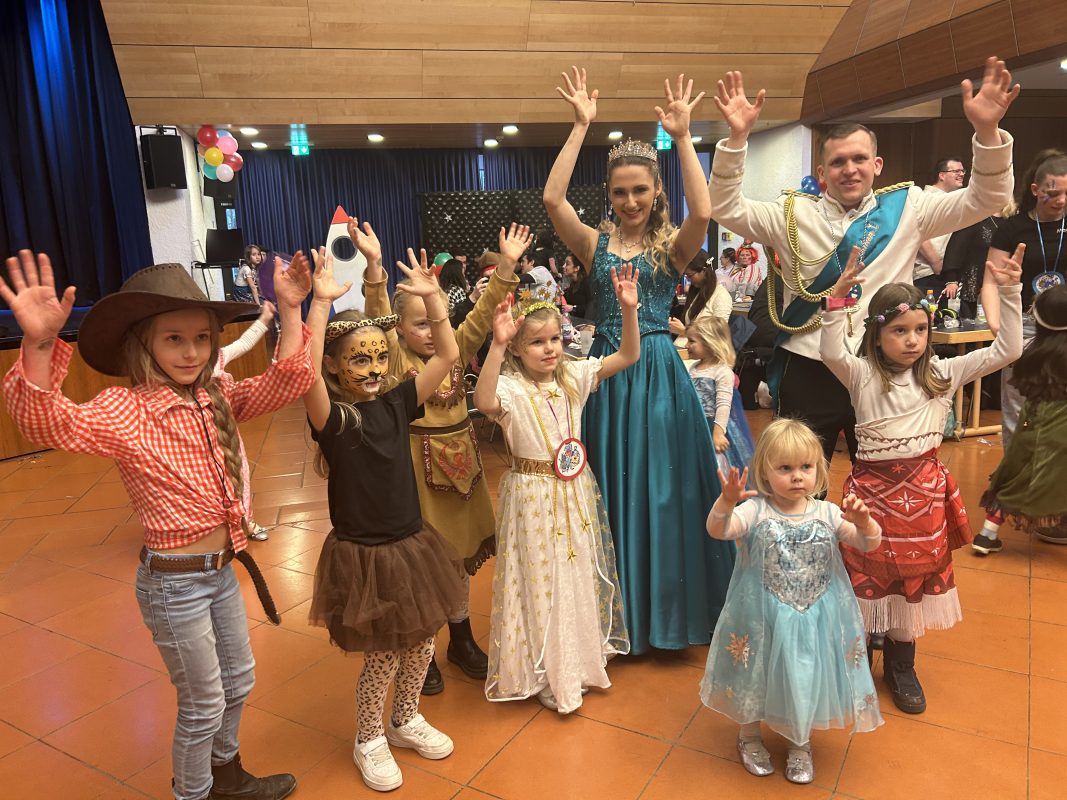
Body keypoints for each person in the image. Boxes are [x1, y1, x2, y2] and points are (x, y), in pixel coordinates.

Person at [2, 250, 317, 800]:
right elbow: (46, 422)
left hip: (221, 573)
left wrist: (291, 309)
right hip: (175, 586)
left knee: (238, 680)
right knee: (203, 703)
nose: (192, 351)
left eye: (202, 338)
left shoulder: (215, 395)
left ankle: (226, 777)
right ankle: (192, 793)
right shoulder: (126, 410)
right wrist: (40, 344)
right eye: (174, 339)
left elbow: (286, 382)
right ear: (142, 343)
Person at [708, 57, 1019, 465]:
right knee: (801, 486)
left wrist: (987, 132)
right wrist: (736, 139)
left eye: (859, 159)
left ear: (877, 165)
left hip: (882, 368)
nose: (849, 170)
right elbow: (723, 207)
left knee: (883, 478)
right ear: (822, 172)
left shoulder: (910, 207)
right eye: (838, 162)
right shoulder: (789, 213)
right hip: (810, 365)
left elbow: (988, 199)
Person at [544, 67, 734, 654]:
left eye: (640, 191)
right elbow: (553, 200)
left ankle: (665, 619)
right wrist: (580, 126)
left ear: (656, 193)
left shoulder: (673, 247)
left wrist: (682, 138)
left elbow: (702, 213)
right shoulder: (593, 244)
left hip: (658, 376)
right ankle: (612, 616)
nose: (630, 201)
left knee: (661, 488)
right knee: (607, 485)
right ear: (610, 195)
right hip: (606, 370)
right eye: (620, 192)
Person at [820, 244, 1023, 714]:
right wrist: (837, 300)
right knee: (867, 577)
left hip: (924, 502)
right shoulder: (861, 375)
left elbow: (1009, 349)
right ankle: (857, 660)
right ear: (876, 336)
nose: (912, 340)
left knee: (910, 581)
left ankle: (901, 664)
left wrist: (1010, 293)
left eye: (920, 330)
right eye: (899, 331)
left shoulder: (943, 373)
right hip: (871, 501)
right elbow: (830, 349)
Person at [303, 246, 464, 793]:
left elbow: (447, 354)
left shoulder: (398, 401)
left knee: (421, 642)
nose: (373, 370)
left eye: (379, 358)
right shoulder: (334, 418)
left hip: (411, 544)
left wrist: (433, 299)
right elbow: (303, 373)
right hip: (364, 555)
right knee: (383, 654)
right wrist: (319, 306)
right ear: (334, 365)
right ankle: (369, 737)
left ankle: (405, 717)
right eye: (358, 360)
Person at [361, 220, 531, 694]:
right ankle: (424, 648)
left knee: (457, 563)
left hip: (463, 475)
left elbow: (481, 315)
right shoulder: (395, 361)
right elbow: (376, 322)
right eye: (419, 324)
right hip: (416, 478)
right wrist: (374, 268)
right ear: (399, 328)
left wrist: (507, 266)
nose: (431, 333)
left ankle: (461, 638)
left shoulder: (454, 349)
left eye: (434, 320)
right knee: (422, 566)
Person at [474, 263, 640, 714]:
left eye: (554, 339)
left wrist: (628, 311)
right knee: (539, 577)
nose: (549, 349)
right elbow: (483, 401)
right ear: (518, 348)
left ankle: (577, 660)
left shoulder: (573, 378)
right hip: (532, 494)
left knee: (575, 569)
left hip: (573, 489)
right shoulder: (511, 388)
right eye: (536, 342)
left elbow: (628, 356)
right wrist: (496, 345)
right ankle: (545, 668)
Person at [701, 419, 882, 785]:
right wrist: (726, 502)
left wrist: (865, 523)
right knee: (756, 675)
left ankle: (800, 742)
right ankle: (749, 736)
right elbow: (719, 530)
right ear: (765, 471)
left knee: (803, 676)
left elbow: (868, 544)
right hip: (760, 617)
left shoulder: (828, 512)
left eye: (806, 467)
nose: (797, 476)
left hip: (814, 618)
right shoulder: (756, 511)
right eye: (785, 468)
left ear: (819, 469)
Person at [975, 151, 1067, 550]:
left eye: (1066, 194)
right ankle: (1020, 494)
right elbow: (991, 280)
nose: (1060, 200)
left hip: (1065, 330)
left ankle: (1056, 501)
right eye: (1052, 193)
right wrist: (1000, 328)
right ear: (1034, 189)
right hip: (1026, 325)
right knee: (1019, 415)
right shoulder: (1012, 228)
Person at [980, 284, 1067, 548]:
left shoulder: (1030, 351)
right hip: (1060, 432)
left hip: (1030, 422)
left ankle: (986, 534)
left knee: (1014, 474)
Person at [216, 300, 277, 541]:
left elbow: (243, 343)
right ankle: (214, 528)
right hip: (193, 442)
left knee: (239, 476)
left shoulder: (217, 358)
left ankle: (246, 521)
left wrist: (264, 319)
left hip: (226, 434)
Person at [685, 315, 755, 474]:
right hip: (695, 425)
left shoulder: (722, 371)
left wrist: (718, 433)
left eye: (691, 341)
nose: (686, 345)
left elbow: (723, 405)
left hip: (715, 426)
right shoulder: (693, 368)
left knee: (718, 466)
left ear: (710, 343)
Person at [914, 157, 968, 296]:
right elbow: (917, 231)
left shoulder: (952, 199)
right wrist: (935, 262)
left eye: (962, 171)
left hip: (946, 272)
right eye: (956, 171)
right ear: (942, 175)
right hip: (928, 273)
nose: (961, 174)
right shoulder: (925, 198)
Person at [670, 248, 732, 349]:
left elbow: (718, 335)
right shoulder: (698, 293)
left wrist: (684, 331)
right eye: (686, 276)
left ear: (703, 271)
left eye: (690, 275)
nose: (689, 280)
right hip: (683, 348)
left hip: (701, 352)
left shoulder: (721, 296)